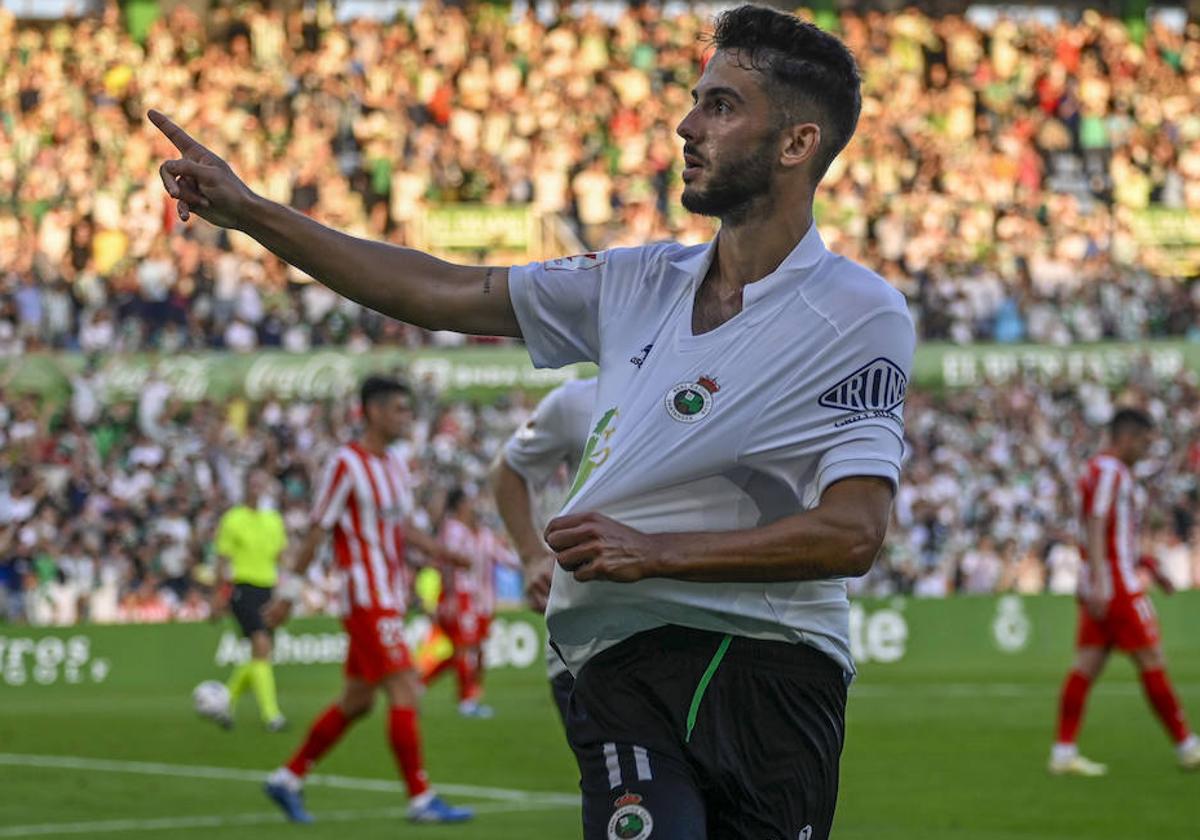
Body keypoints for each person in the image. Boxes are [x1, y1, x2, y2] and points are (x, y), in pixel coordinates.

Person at [152, 7, 913, 836]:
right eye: (696, 99)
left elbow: (851, 534)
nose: (687, 125)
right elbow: (440, 290)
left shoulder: (858, 312)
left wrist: (657, 551)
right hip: (622, 657)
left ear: (797, 144)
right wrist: (255, 212)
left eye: (722, 106)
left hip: (777, 670)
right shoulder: (635, 278)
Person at [260, 376, 473, 824]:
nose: (406, 418)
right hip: (364, 596)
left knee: (357, 701)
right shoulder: (345, 464)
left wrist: (441, 552)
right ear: (373, 412)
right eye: (399, 409)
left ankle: (287, 778)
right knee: (406, 686)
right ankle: (420, 798)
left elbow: (401, 528)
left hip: (391, 596)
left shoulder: (395, 464)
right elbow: (319, 528)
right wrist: (289, 594)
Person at [1050, 408, 1200, 775]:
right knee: (1151, 657)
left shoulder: (1103, 471)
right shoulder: (1109, 471)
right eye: (1144, 443)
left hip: (1106, 579)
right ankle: (1187, 746)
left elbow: (1115, 532)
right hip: (1116, 585)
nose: (1147, 450)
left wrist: (1149, 566)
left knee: (1086, 666)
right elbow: (1099, 523)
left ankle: (1063, 753)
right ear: (1127, 438)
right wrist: (1103, 579)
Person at [490, 377, 598, 728]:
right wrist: (533, 556)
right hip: (591, 650)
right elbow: (508, 465)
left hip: (707, 639)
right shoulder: (574, 401)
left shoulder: (724, 381)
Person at [422, 486, 518, 718]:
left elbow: (505, 558)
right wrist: (449, 596)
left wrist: (534, 562)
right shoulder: (453, 530)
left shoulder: (482, 534)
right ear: (461, 505)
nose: (473, 506)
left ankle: (423, 682)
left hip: (482, 601)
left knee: (473, 651)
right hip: (461, 596)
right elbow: (446, 563)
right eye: (469, 502)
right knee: (465, 648)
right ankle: (467, 701)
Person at [207, 468, 288, 731]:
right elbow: (222, 560)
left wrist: (286, 592)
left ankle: (224, 702)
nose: (256, 488)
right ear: (245, 487)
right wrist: (218, 596)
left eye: (260, 484)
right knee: (262, 644)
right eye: (252, 484)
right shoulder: (233, 519)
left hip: (268, 589)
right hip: (242, 588)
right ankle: (272, 716)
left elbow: (281, 558)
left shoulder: (274, 520)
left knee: (260, 654)